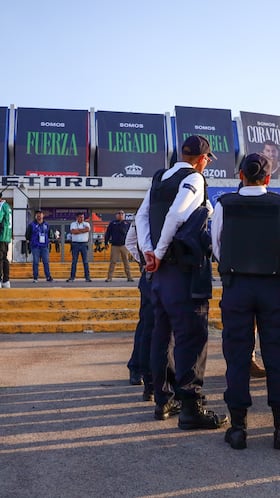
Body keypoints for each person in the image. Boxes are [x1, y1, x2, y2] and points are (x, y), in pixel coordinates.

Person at [135, 135, 227, 427]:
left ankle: (164, 401)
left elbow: (141, 217)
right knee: (191, 337)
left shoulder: (159, 177)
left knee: (162, 337)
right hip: (182, 271)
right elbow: (176, 214)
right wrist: (159, 252)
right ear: (202, 159)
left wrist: (149, 252)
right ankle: (191, 408)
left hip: (159, 275)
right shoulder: (195, 179)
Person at [211, 152, 280, 450]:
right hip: (274, 287)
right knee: (277, 357)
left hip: (236, 286)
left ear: (241, 175)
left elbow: (216, 246)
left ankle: (238, 428)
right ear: (268, 178)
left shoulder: (225, 203)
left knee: (237, 357)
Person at [104, 210, 133, 282]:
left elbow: (130, 234)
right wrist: (106, 242)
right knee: (113, 261)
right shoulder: (112, 223)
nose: (120, 215)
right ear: (116, 215)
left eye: (122, 214)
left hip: (124, 245)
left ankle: (129, 277)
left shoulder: (127, 223)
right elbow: (108, 233)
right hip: (115, 245)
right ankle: (109, 277)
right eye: (119, 213)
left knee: (126, 261)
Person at [25, 210, 53, 283]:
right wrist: (32, 242)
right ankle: (35, 277)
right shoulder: (31, 225)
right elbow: (27, 235)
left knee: (46, 262)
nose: (39, 216)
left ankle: (48, 276)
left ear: (43, 216)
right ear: (36, 216)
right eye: (37, 215)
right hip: (35, 247)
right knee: (35, 262)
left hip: (44, 247)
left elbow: (49, 234)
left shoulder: (46, 225)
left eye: (40, 215)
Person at [66, 213, 92, 282]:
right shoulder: (73, 224)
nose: (82, 218)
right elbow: (73, 231)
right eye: (80, 217)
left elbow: (87, 229)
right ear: (77, 217)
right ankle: (72, 277)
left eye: (83, 217)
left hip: (84, 244)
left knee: (85, 261)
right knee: (74, 261)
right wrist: (82, 230)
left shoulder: (87, 224)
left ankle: (87, 277)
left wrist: (78, 230)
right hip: (75, 244)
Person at [0, 192, 12, 288]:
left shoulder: (1, 206)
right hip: (6, 237)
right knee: (4, 258)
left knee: (0, 258)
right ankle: (6, 280)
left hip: (1, 236)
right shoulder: (7, 206)